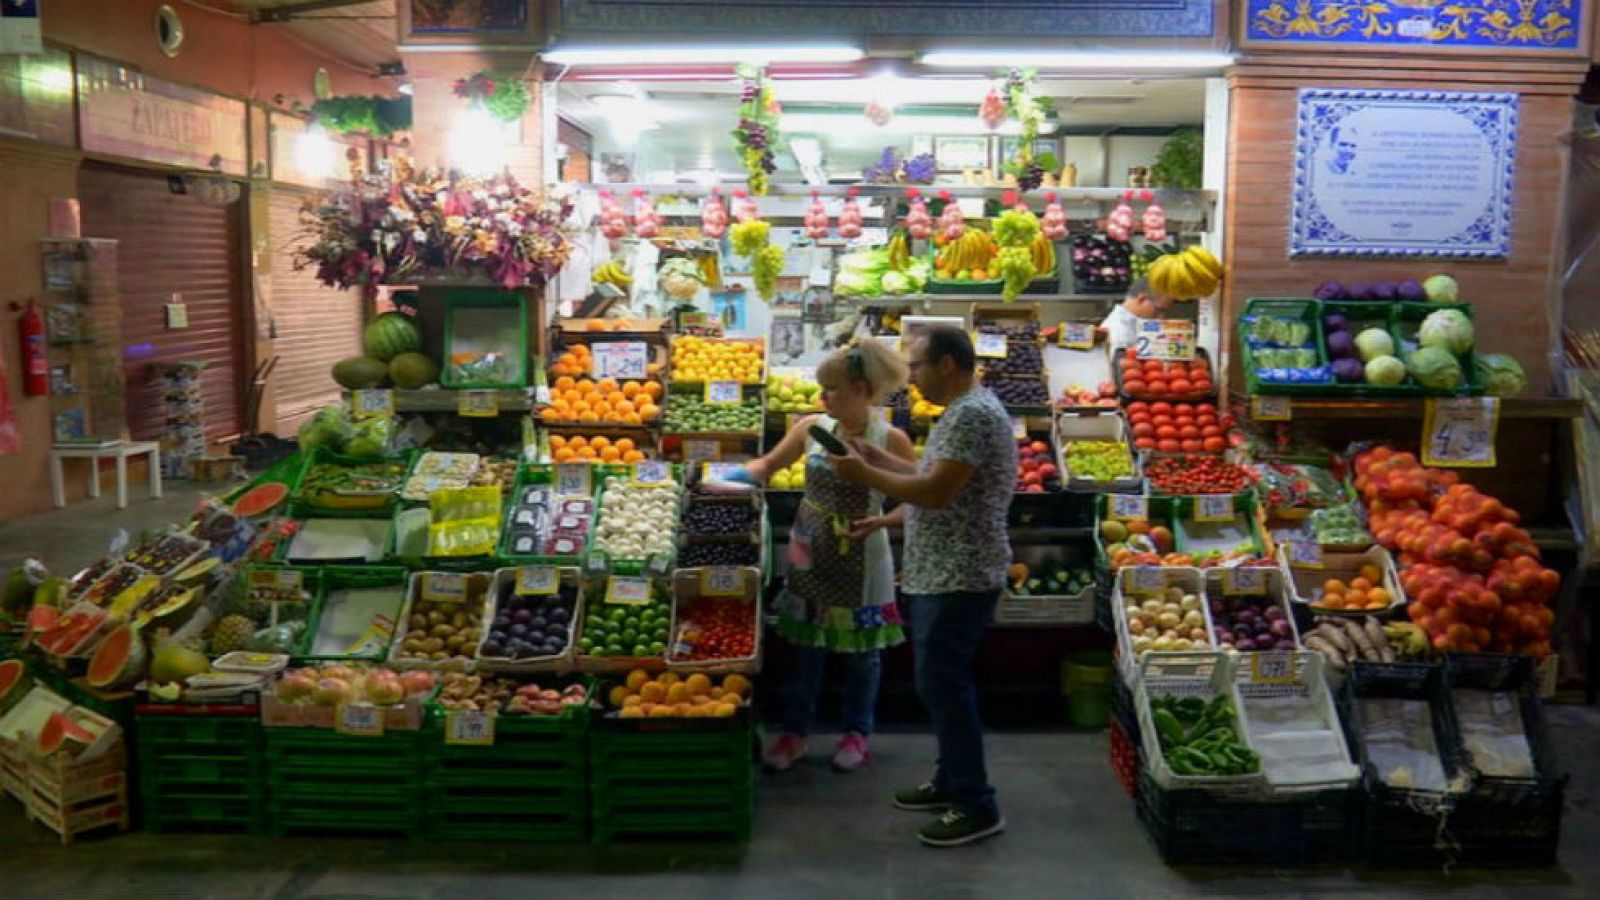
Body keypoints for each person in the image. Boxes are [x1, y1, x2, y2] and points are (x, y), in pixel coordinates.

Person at [827, 326, 1016, 848]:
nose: (911, 378)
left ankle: (976, 806)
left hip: (962, 573)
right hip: (946, 569)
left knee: (944, 686)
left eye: (918, 366)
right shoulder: (964, 412)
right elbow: (934, 478)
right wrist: (880, 465)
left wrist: (864, 475)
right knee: (940, 683)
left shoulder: (972, 415)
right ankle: (951, 779)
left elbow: (935, 492)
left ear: (948, 365)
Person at [730, 338, 915, 773]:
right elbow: (767, 466)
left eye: (830, 388)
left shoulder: (891, 439)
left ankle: (857, 732)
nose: (822, 398)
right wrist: (730, 477)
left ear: (860, 389)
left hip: (863, 553)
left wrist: (884, 522)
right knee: (805, 648)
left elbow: (920, 500)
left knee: (862, 654)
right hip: (809, 550)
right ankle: (794, 732)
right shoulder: (812, 428)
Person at [1100, 278, 1172, 350]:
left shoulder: (1135, 323)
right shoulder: (1119, 332)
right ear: (1142, 299)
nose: (1162, 318)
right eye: (1158, 310)